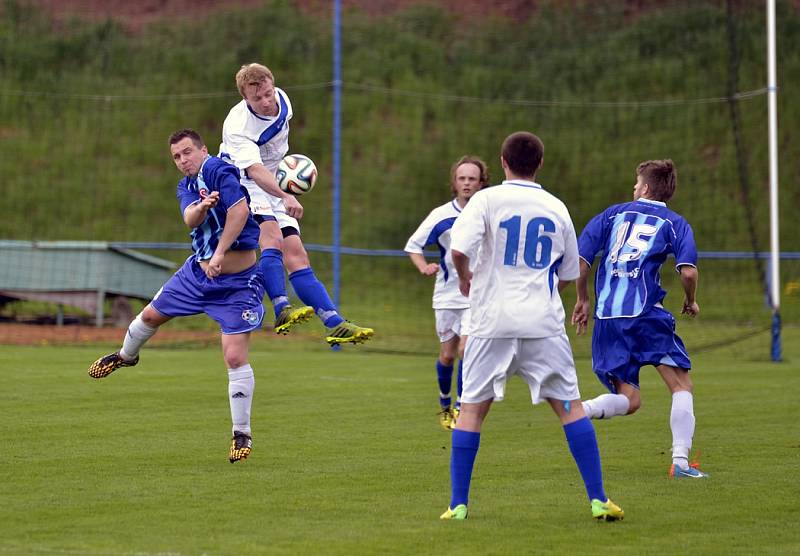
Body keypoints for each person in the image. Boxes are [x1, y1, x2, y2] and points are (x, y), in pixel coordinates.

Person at [441, 131, 624, 521]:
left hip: (491, 322)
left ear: (503, 162)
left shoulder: (486, 200)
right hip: (542, 324)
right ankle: (598, 499)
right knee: (571, 409)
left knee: (471, 411)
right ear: (539, 164)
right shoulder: (556, 206)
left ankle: (458, 505)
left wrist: (465, 275)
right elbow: (571, 271)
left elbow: (458, 250)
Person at [88, 129, 266, 464]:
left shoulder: (218, 170)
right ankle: (127, 356)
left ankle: (241, 433)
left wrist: (220, 253)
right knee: (149, 317)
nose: (183, 160)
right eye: (176, 157)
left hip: (238, 284)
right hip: (196, 276)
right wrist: (202, 206)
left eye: (187, 152)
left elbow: (240, 212)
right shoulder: (186, 186)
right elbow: (189, 218)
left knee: (233, 357)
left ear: (203, 150)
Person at [571, 159, 708, 479]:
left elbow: (579, 263)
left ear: (645, 187)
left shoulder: (611, 214)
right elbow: (687, 271)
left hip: (607, 317)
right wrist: (691, 300)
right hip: (645, 315)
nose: (634, 189)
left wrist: (583, 299)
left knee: (629, 399)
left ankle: (581, 409)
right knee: (680, 384)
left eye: (636, 183)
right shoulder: (675, 222)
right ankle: (681, 463)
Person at [219, 63, 373, 345]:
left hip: (274, 178)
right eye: (257, 99)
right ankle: (280, 308)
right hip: (242, 180)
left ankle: (334, 322)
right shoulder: (238, 125)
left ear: (273, 86)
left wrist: (289, 174)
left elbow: (274, 155)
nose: (266, 102)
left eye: (268, 94)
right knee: (272, 237)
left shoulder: (283, 100)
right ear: (245, 99)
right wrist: (286, 195)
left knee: (297, 253)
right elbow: (254, 170)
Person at [404, 156, 489, 431]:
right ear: (454, 182)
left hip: (478, 296)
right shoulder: (441, 215)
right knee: (448, 355)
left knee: (467, 350)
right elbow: (413, 246)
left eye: (472, 179)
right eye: (462, 178)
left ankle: (463, 410)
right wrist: (423, 267)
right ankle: (445, 403)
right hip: (446, 294)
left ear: (481, 182)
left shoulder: (490, 213)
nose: (466, 183)